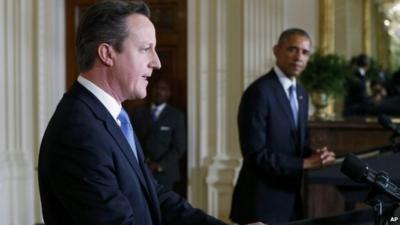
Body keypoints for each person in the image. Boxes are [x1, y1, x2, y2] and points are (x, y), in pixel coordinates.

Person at [38, 1, 227, 225]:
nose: (156, 62)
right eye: (146, 48)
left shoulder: (115, 117)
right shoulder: (78, 132)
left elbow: (152, 194)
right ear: (107, 54)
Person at [230, 28, 336, 225]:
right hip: (261, 203)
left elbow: (295, 145)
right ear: (276, 50)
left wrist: (316, 155)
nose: (298, 57)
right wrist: (305, 163)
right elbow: (255, 154)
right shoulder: (259, 92)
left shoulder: (302, 93)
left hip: (291, 201)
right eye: (292, 50)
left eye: (305, 52)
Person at [131, 78, 186, 191]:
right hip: (141, 170)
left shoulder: (176, 116)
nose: (159, 91)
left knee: (163, 207)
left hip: (165, 174)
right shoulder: (139, 113)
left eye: (163, 89)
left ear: (169, 93)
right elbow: (133, 140)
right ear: (151, 90)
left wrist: (158, 165)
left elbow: (178, 147)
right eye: (156, 88)